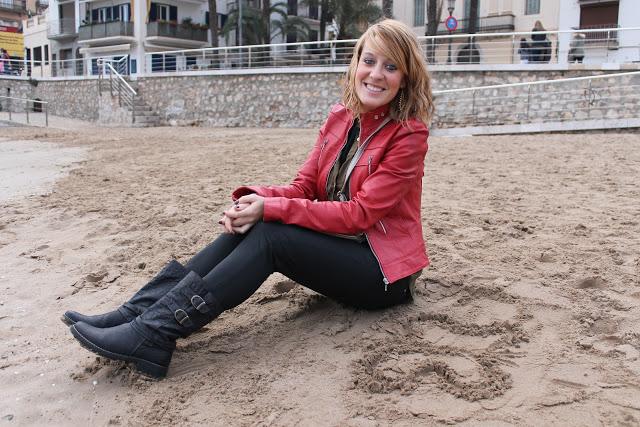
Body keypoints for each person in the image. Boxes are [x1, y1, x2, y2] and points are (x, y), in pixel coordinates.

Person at [63, 19, 434, 379]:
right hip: (340, 249)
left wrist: (269, 209)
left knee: (271, 235)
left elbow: (360, 214)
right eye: (369, 61)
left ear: (405, 78)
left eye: (390, 67)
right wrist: (254, 200)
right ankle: (136, 315)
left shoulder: (408, 135)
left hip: (382, 273)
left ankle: (155, 332)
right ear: (356, 64)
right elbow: (304, 187)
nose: (375, 74)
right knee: (255, 224)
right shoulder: (340, 116)